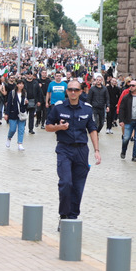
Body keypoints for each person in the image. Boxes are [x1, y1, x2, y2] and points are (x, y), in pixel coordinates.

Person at [45, 79, 101, 223]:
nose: (73, 92)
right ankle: (63, 215)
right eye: (70, 90)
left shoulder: (87, 109)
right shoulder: (59, 108)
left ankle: (72, 217)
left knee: (78, 186)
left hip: (82, 151)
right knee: (66, 183)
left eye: (76, 90)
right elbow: (48, 126)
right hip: (64, 149)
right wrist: (59, 127)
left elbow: (93, 130)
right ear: (67, 91)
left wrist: (97, 150)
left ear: (81, 91)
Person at [4, 78, 28, 151]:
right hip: (13, 113)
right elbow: (8, 104)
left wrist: (26, 103)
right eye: (19, 84)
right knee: (12, 129)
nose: (21, 85)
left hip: (22, 114)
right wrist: (6, 113)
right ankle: (9, 138)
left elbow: (24, 105)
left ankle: (20, 144)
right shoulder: (12, 93)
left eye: (22, 84)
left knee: (21, 130)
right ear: (17, 85)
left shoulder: (25, 93)